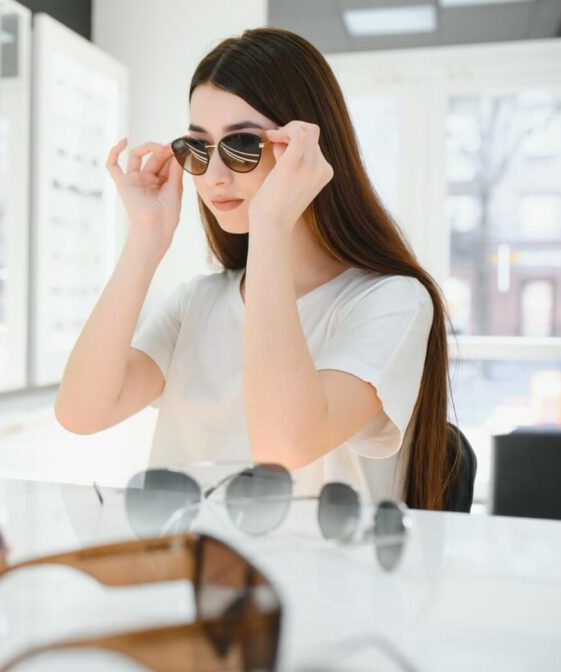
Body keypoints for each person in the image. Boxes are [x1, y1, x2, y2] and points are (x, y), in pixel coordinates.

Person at [54, 28, 456, 509]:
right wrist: (146, 235)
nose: (215, 176)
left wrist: (270, 221)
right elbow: (80, 412)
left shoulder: (391, 301)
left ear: (305, 146)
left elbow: (282, 447)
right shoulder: (196, 303)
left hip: (324, 580)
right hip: (195, 572)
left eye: (243, 145)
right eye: (197, 149)